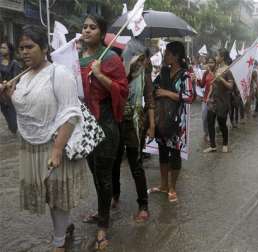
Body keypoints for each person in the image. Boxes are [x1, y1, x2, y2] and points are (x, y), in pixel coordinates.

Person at [2, 25, 87, 252]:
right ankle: (66, 227)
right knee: (49, 194)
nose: (24, 52)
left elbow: (71, 114)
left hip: (54, 143)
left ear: (45, 48)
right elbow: (26, 109)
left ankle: (59, 242)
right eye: (21, 48)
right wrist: (9, 95)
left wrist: (57, 149)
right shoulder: (24, 77)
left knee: (58, 195)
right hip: (31, 145)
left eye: (30, 46)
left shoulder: (59, 74)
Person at [79, 15, 128, 250]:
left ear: (102, 33)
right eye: (85, 27)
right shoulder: (78, 58)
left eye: (92, 27)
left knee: (105, 175)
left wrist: (99, 75)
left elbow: (122, 90)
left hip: (107, 124)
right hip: (86, 124)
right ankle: (101, 211)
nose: (87, 30)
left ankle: (103, 225)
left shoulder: (110, 58)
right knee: (95, 174)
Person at [111, 40, 155, 223]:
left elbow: (149, 99)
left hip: (135, 124)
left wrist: (152, 126)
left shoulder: (144, 75)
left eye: (142, 59)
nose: (140, 61)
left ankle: (143, 205)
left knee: (135, 165)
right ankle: (115, 194)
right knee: (114, 162)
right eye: (138, 57)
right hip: (116, 122)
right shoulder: (118, 70)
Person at [148, 41, 194, 203]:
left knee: (175, 154)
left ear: (176, 56)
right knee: (162, 153)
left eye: (167, 53)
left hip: (176, 123)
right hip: (162, 119)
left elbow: (189, 97)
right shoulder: (164, 72)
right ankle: (163, 185)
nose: (165, 56)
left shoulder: (185, 75)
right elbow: (153, 88)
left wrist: (166, 92)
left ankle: (173, 187)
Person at [203, 49, 234, 153]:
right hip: (213, 100)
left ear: (222, 57)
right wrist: (208, 96)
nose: (216, 58)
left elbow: (230, 86)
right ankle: (213, 145)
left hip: (223, 101)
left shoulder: (228, 70)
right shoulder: (217, 69)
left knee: (222, 124)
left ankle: (225, 143)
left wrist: (222, 79)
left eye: (217, 56)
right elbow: (213, 85)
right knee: (210, 121)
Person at [0, 41, 22, 133]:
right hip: (1, 94)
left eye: (4, 48)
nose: (1, 49)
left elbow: (15, 80)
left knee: (13, 124)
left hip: (10, 94)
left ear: (9, 50)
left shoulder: (14, 63)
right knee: (7, 118)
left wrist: (11, 94)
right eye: (1, 47)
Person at [198, 56, 215, 141]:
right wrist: (196, 79)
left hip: (214, 100)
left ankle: (211, 134)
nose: (211, 64)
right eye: (209, 62)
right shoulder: (205, 73)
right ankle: (206, 133)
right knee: (204, 118)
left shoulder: (217, 73)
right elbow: (202, 84)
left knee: (211, 119)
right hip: (205, 99)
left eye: (212, 62)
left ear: (215, 63)